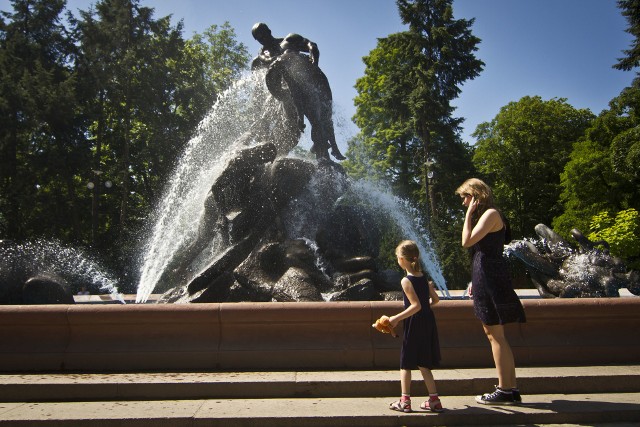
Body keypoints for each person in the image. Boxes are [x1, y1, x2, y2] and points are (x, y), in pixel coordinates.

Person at [456, 178, 526, 405]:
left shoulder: (491, 214)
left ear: (477, 196)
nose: (464, 203)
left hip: (491, 277)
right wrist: (473, 282)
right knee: (495, 335)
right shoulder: (489, 216)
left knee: (495, 335)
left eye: (466, 197)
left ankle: (505, 389)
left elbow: (466, 241)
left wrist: (468, 216)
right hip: (486, 276)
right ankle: (511, 389)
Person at [386, 240, 444, 413]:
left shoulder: (406, 280)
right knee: (423, 363)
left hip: (414, 324)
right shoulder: (423, 278)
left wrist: (396, 318)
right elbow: (436, 300)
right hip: (427, 322)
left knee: (405, 363)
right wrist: (425, 307)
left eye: (397, 257)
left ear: (403, 259)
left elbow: (415, 306)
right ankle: (434, 400)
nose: (397, 260)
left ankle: (405, 401)